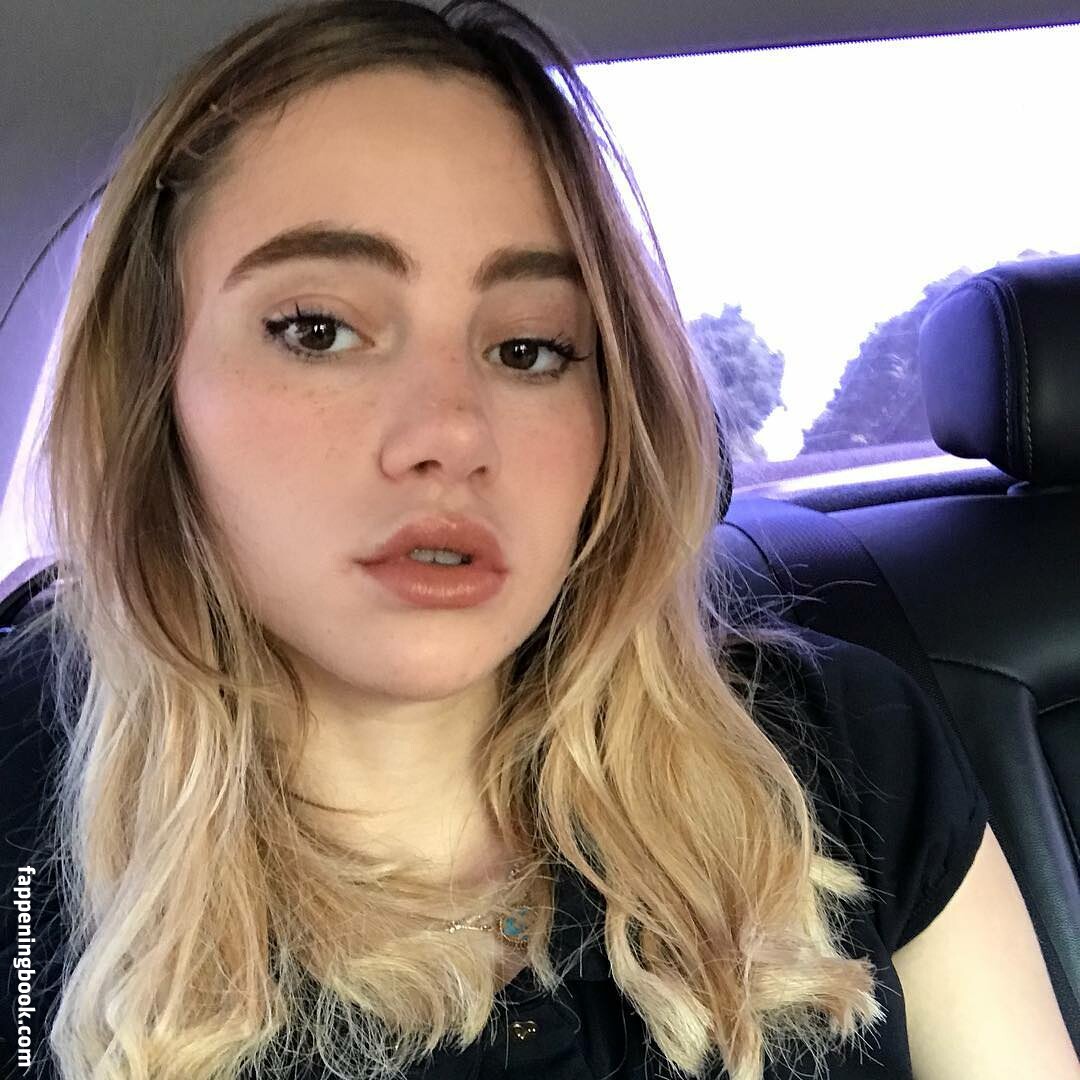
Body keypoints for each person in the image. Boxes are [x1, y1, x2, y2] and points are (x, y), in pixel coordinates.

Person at [0, 2, 1069, 1078]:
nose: (451, 434)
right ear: (154, 389)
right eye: (316, 331)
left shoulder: (844, 752)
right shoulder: (25, 820)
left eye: (530, 349)